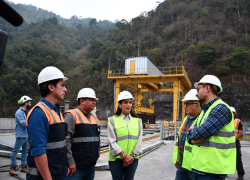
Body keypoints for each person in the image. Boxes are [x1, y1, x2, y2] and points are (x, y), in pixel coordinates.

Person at [187, 75, 236, 180]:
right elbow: (192, 134)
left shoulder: (221, 108)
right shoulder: (205, 111)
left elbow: (198, 133)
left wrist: (193, 136)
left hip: (212, 171)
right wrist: (193, 137)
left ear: (207, 88)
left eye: (198, 89)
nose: (196, 93)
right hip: (200, 167)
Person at [26, 66, 68, 180]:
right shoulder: (39, 113)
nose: (65, 89)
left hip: (58, 173)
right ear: (51, 87)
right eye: (62, 85)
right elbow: (38, 151)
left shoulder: (56, 111)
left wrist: (65, 166)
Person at [64, 88, 100, 180]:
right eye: (91, 100)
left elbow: (97, 140)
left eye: (95, 100)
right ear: (82, 100)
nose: (94, 102)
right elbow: (65, 140)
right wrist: (70, 162)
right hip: (75, 168)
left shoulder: (95, 119)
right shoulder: (71, 116)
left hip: (91, 167)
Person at [108, 91, 142, 180]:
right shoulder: (112, 120)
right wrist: (124, 156)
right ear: (119, 104)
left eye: (130, 102)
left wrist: (131, 155)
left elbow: (139, 140)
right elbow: (112, 141)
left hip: (132, 158)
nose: (128, 105)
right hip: (116, 159)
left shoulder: (138, 121)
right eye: (125, 102)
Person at [172, 89, 201, 180]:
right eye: (185, 104)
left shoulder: (202, 120)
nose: (185, 106)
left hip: (195, 166)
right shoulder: (186, 119)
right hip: (183, 163)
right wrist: (177, 159)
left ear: (197, 105)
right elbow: (179, 140)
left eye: (187, 104)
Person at [9, 95, 32, 176]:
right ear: (26, 103)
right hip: (21, 135)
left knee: (25, 151)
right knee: (15, 151)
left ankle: (23, 166)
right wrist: (32, 122)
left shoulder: (27, 112)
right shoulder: (19, 112)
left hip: (25, 135)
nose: (30, 104)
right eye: (29, 102)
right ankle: (12, 167)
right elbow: (23, 123)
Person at [231, 107, 245, 180]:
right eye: (230, 112)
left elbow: (240, 133)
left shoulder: (238, 121)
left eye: (233, 112)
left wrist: (233, 140)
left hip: (235, 142)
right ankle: (223, 172)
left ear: (235, 113)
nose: (232, 114)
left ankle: (241, 174)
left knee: (238, 159)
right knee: (224, 158)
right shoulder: (225, 121)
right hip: (226, 143)